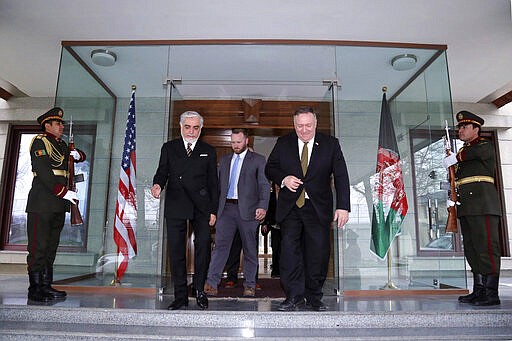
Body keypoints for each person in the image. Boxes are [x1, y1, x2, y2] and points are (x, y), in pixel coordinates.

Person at [265, 106, 350, 311]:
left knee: (318, 253)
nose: (304, 130)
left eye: (308, 125)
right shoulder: (283, 143)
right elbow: (270, 167)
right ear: (294, 125)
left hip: (317, 207)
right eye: (299, 126)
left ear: (315, 124)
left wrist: (343, 207)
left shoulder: (330, 144)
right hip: (291, 207)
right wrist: (283, 178)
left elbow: (341, 176)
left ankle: (313, 296)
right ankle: (294, 295)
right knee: (289, 253)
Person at [151, 111, 218, 310]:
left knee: (203, 247)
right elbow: (162, 171)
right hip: (176, 203)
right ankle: (180, 296)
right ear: (181, 127)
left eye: (196, 127)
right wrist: (157, 185)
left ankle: (199, 291)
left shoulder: (208, 150)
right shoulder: (169, 148)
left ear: (201, 129)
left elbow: (214, 183)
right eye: (187, 127)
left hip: (202, 206)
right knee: (177, 251)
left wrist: (213, 210)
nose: (191, 131)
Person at [25, 107, 86, 302]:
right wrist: (62, 191)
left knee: (51, 247)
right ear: (47, 125)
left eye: (61, 123)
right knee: (38, 247)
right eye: (58, 123)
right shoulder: (40, 142)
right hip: (42, 202)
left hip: (59, 203)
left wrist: (78, 155)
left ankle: (46, 286)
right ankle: (35, 289)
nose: (61, 126)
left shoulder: (61, 145)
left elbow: (78, 156)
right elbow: (43, 171)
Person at [443, 110, 502, 306]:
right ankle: (479, 290)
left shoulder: (484, 145)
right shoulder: (462, 153)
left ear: (476, 129)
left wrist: (456, 158)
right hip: (467, 206)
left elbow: (476, 153)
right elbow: (458, 180)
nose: (460, 130)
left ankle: (491, 293)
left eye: (464, 126)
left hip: (483, 205)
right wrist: (452, 198)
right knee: (472, 249)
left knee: (486, 248)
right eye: (459, 127)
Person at [204, 128, 270, 298]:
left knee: (249, 249)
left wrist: (263, 206)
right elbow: (217, 187)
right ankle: (211, 283)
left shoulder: (258, 160)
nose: (235, 145)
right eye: (232, 142)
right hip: (226, 210)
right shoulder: (224, 160)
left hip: (248, 211)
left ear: (246, 141)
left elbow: (264, 185)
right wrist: (213, 211)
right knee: (220, 247)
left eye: (239, 142)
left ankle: (249, 285)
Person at [260, 181, 280, 278]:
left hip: (285, 226)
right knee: (275, 248)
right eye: (275, 185)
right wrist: (264, 223)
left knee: (284, 249)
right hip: (274, 226)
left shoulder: (286, 195)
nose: (277, 186)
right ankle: (275, 270)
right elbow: (267, 210)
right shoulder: (271, 196)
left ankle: (283, 270)